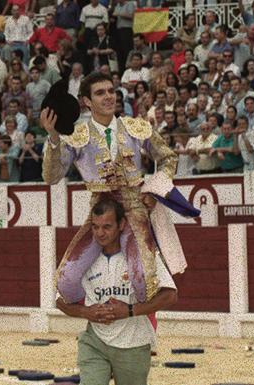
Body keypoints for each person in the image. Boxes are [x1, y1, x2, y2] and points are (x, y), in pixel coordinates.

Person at [40, 72, 190, 305]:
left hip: (135, 208)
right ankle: (96, 314)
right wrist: (53, 137)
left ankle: (136, 320)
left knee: (143, 280)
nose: (109, 97)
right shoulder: (76, 136)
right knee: (65, 281)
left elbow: (169, 158)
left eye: (111, 91)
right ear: (87, 101)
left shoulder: (135, 128)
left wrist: (154, 191)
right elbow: (51, 177)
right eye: (100, 93)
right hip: (100, 213)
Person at [55, 198, 177, 385]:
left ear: (121, 224)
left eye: (106, 227)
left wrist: (129, 310)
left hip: (133, 344)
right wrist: (86, 312)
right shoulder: (84, 260)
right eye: (95, 227)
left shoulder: (142, 255)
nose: (100, 233)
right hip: (94, 341)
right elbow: (60, 300)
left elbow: (170, 295)